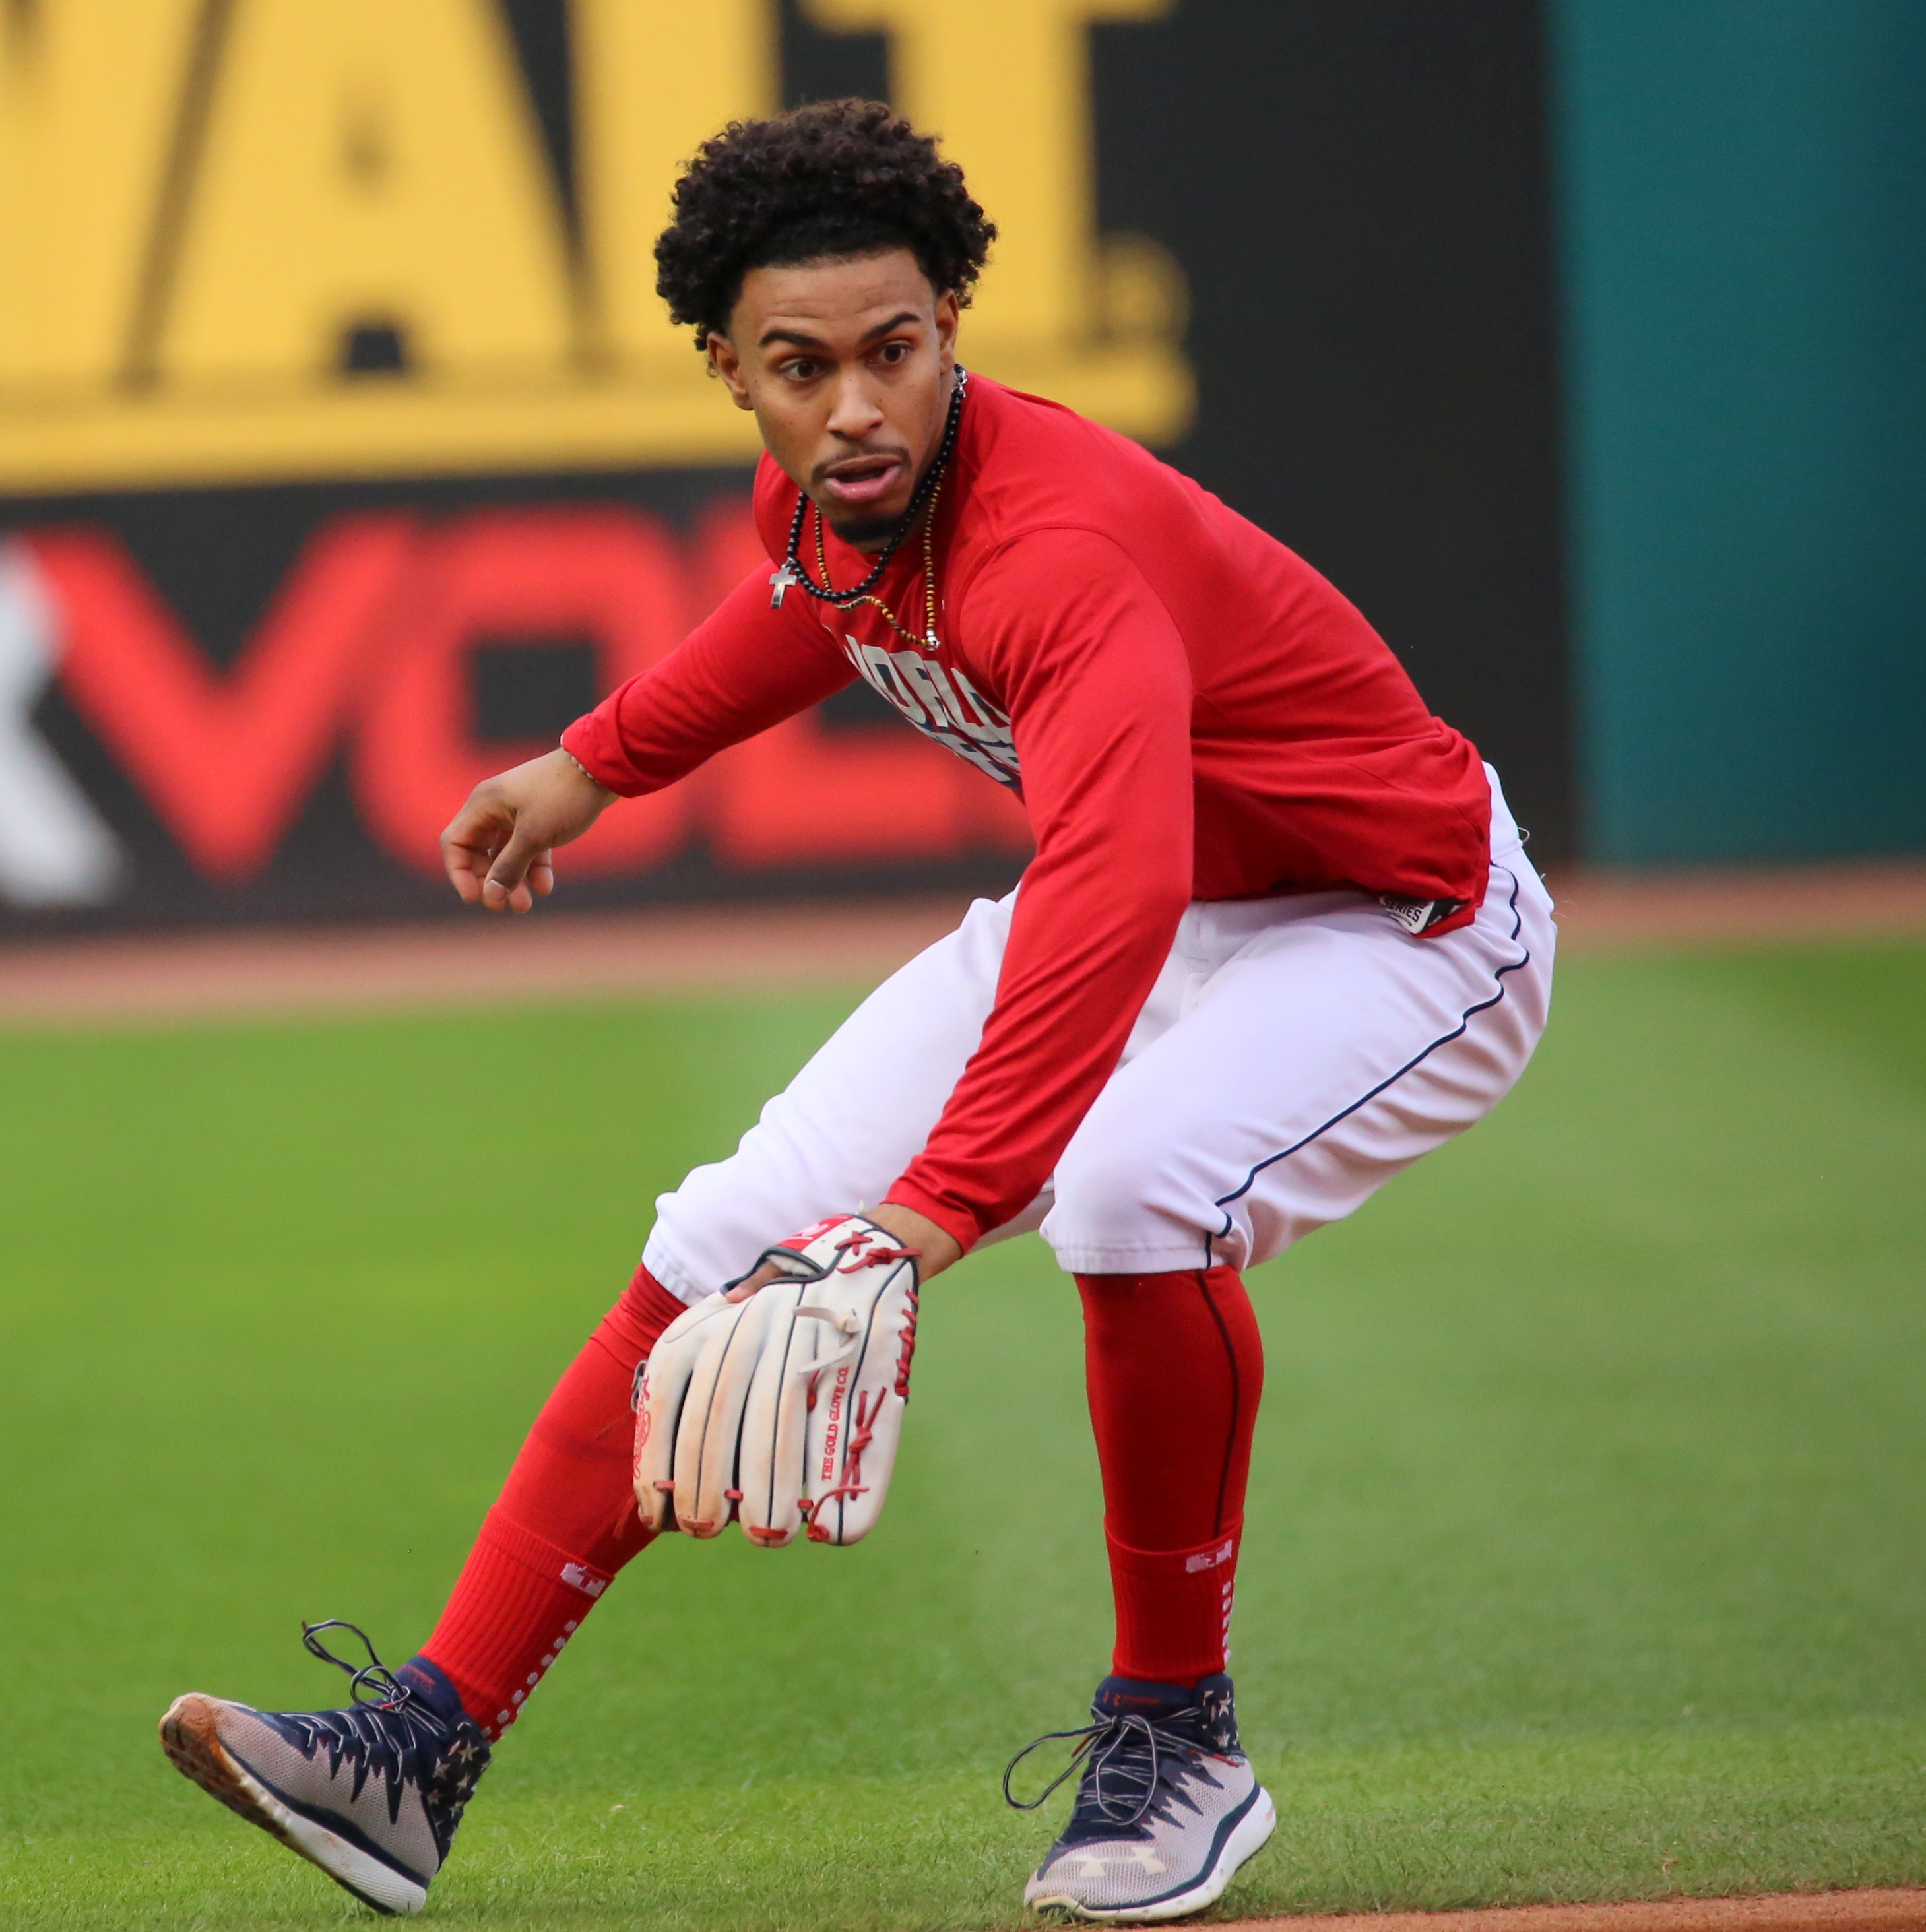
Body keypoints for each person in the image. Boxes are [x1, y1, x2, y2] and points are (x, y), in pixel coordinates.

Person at [160, 98, 1555, 1923]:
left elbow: (1111, 887)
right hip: (1173, 899)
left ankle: (1178, 1737)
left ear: (951, 329)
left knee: (1139, 1185)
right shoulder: (832, 495)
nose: (856, 408)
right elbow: (809, 613)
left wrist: (939, 1203)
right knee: (725, 1231)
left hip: (1398, 919)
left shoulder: (1054, 549)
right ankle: (420, 1752)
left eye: (894, 352)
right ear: (728, 372)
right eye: (800, 367)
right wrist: (598, 762)